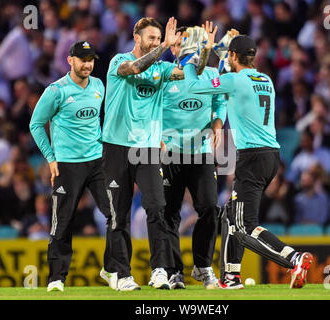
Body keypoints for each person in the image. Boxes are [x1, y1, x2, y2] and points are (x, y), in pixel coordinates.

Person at [182, 31, 313, 289]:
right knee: (230, 215)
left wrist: (189, 60)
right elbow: (230, 80)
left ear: (233, 56)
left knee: (244, 226)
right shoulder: (265, 79)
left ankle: (293, 258)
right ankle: (230, 276)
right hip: (271, 155)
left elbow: (194, 87)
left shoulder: (235, 80)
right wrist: (223, 55)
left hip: (252, 158)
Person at [100, 17, 211, 291]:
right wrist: (163, 46)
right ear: (136, 38)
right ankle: (122, 274)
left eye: (158, 37)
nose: (154, 42)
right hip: (116, 146)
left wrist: (206, 51)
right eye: (150, 38)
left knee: (157, 207)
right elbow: (135, 67)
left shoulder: (163, 69)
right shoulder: (118, 61)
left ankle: (160, 270)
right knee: (119, 214)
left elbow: (194, 73)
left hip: (148, 148)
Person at [29, 41, 110, 293]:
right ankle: (56, 278)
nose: (87, 64)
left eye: (91, 60)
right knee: (62, 221)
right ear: (70, 60)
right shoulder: (56, 90)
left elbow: (99, 121)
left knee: (116, 214)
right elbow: (36, 124)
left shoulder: (98, 85)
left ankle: (114, 270)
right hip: (67, 165)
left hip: (97, 161)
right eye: (82, 59)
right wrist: (51, 159)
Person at [160, 25, 227, 290]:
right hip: (171, 153)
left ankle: (202, 266)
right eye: (178, 44)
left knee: (210, 207)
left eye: (187, 44)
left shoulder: (210, 74)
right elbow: (152, 110)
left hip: (201, 153)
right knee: (169, 215)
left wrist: (219, 123)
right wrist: (160, 139)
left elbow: (220, 101)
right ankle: (174, 271)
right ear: (173, 48)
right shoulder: (165, 76)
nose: (180, 49)